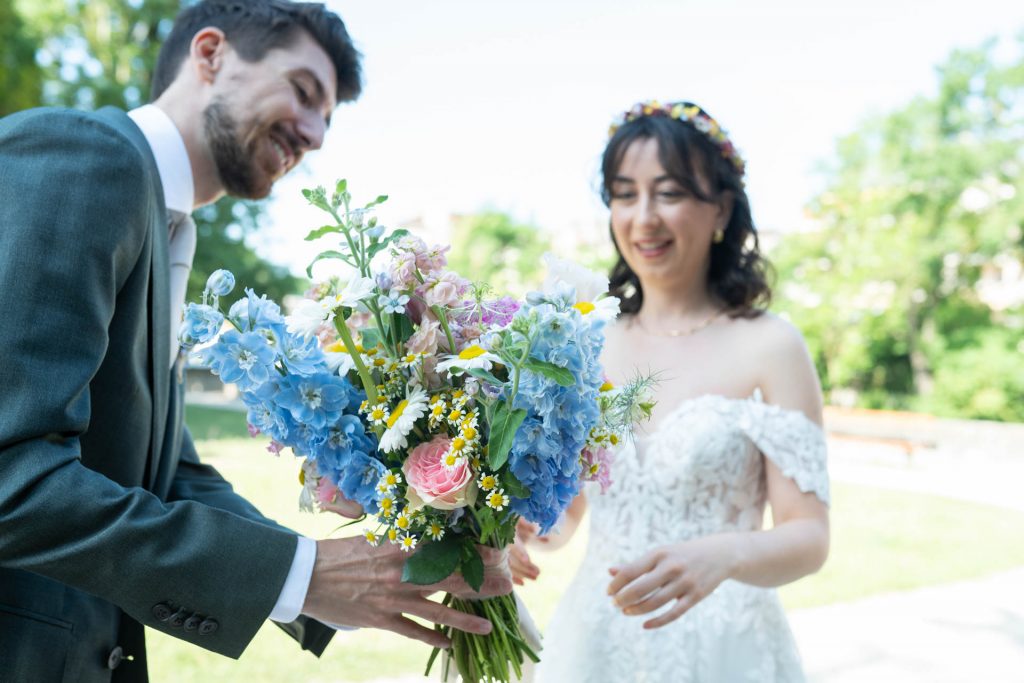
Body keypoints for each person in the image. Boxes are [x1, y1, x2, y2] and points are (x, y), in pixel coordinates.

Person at [0, 2, 509, 681]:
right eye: (303, 90)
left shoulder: (163, 225)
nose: (315, 135)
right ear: (210, 54)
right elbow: (12, 473)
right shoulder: (88, 158)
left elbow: (166, 476)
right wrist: (303, 574)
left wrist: (354, 579)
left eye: (327, 117)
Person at [511, 101, 831, 682]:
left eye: (669, 193)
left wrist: (726, 554)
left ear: (721, 208)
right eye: (624, 194)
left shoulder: (772, 346)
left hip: (727, 647)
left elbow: (809, 535)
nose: (644, 218)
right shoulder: (586, 342)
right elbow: (569, 510)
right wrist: (520, 529)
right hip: (596, 643)